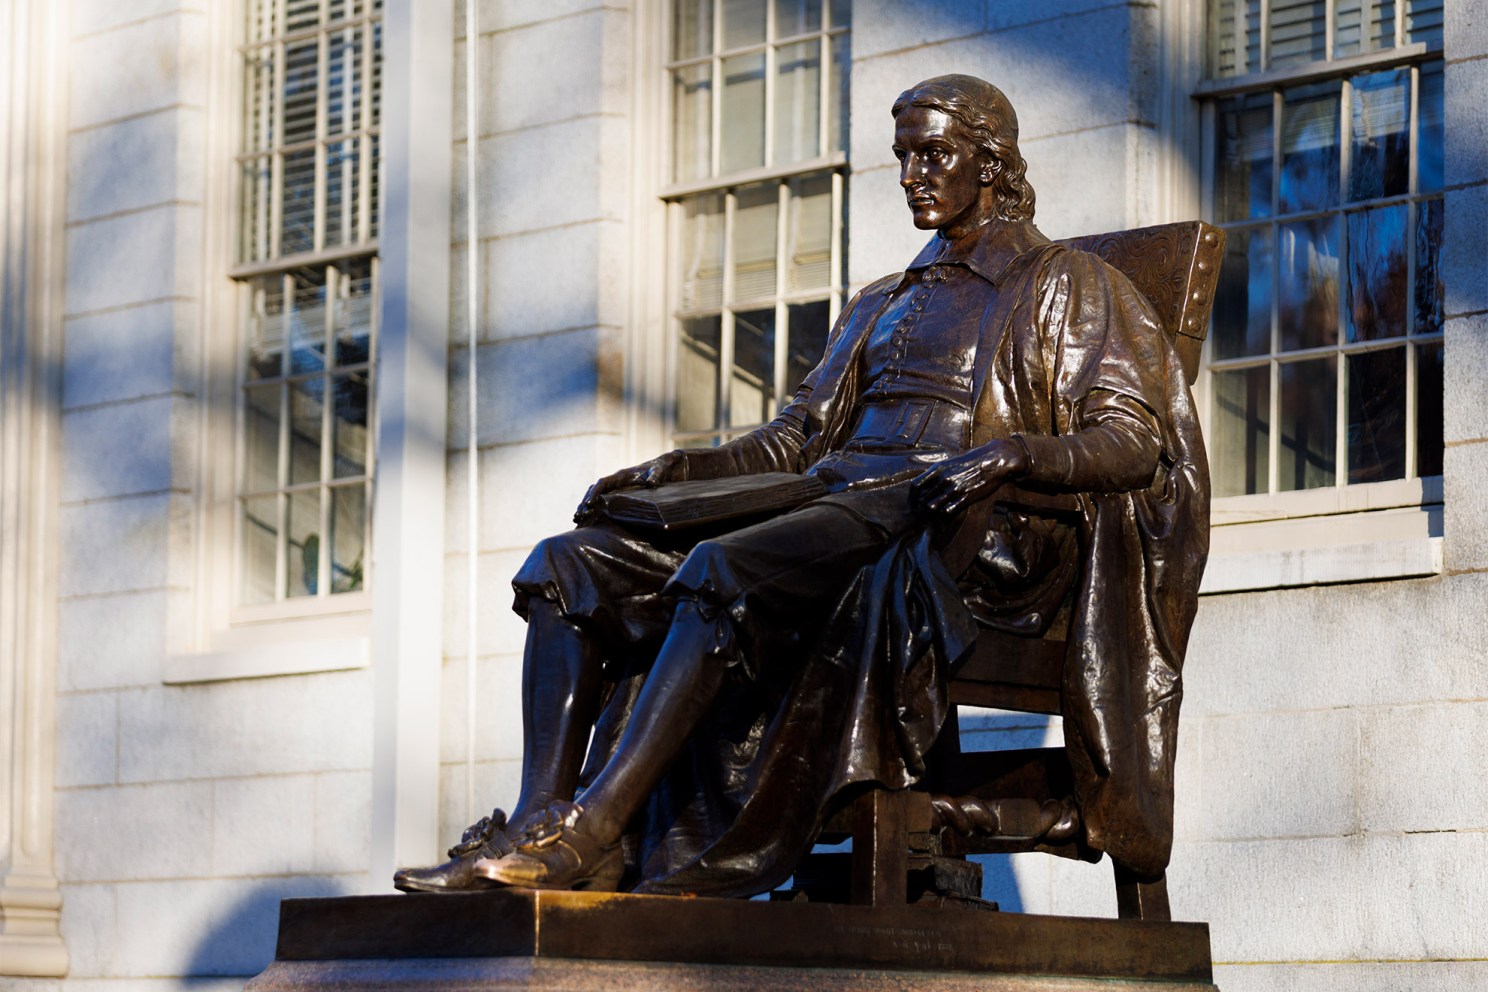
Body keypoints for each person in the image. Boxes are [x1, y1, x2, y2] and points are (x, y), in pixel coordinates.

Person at [394, 74, 1207, 898]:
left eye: (934, 154)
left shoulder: (1063, 283)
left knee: (723, 569)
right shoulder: (880, 301)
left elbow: (1135, 442)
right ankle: (542, 824)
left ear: (990, 163)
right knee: (569, 565)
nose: (911, 175)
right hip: (828, 506)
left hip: (954, 536)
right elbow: (794, 437)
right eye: (902, 157)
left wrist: (1016, 455)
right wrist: (681, 467)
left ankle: (596, 832)